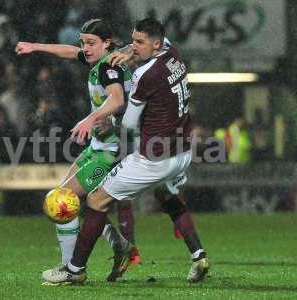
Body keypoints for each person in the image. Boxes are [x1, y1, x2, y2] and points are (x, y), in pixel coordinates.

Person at [42, 18, 210, 285]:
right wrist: (133, 50)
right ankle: (198, 255)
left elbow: (129, 121)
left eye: (139, 42)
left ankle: (74, 269)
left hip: (149, 155)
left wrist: (103, 121)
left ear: (154, 44)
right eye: (132, 40)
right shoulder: (174, 56)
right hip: (180, 150)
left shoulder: (141, 74)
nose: (133, 47)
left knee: (94, 201)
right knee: (165, 195)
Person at [15, 19, 139, 283]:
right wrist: (35, 46)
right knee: (67, 202)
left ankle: (71, 269)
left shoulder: (109, 68)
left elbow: (117, 99)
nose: (85, 48)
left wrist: (89, 119)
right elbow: (70, 52)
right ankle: (119, 245)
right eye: (83, 42)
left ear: (107, 43)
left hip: (113, 150)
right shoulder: (100, 60)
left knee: (62, 203)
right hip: (99, 146)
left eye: (91, 43)